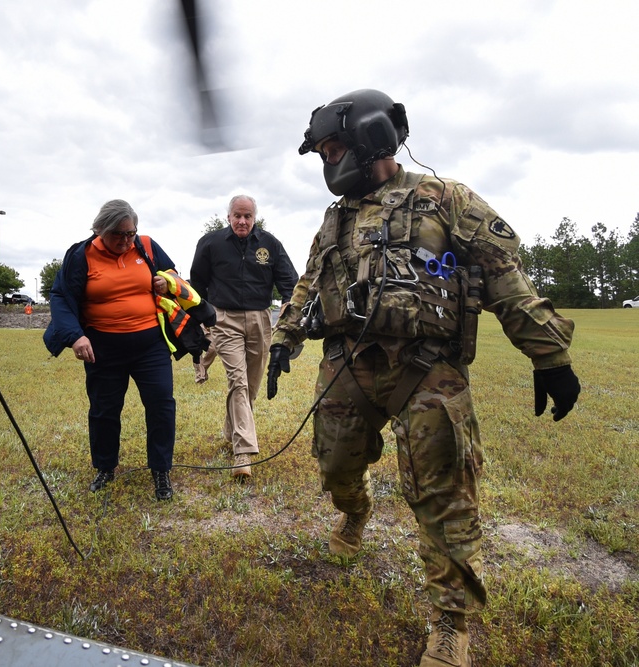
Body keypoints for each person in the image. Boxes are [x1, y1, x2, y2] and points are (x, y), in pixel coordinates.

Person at [267, 89, 581, 667]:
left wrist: (549, 356)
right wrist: (284, 338)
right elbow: (309, 282)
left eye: (333, 148)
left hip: (428, 368)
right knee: (335, 466)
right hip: (348, 363)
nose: (327, 162)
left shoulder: (445, 199)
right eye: (322, 152)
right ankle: (354, 509)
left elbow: (503, 273)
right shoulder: (336, 217)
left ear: (368, 139)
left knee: (444, 496)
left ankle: (449, 624)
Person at [44, 199, 184, 501]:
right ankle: (105, 467)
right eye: (118, 235)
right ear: (99, 230)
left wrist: (166, 281)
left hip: (151, 345)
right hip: (102, 348)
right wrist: (75, 337)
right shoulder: (81, 254)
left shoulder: (146, 246)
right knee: (104, 410)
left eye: (130, 233)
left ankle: (161, 471)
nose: (125, 241)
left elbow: (174, 275)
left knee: (161, 406)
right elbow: (60, 296)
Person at [189, 195, 298, 478]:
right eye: (237, 215)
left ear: (254, 218)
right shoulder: (210, 243)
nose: (242, 221)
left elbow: (290, 281)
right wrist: (203, 317)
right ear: (228, 217)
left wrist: (288, 309)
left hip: (261, 319)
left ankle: (231, 430)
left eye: (247, 216)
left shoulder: (269, 244)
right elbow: (197, 282)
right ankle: (243, 452)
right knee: (238, 380)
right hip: (224, 318)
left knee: (250, 385)